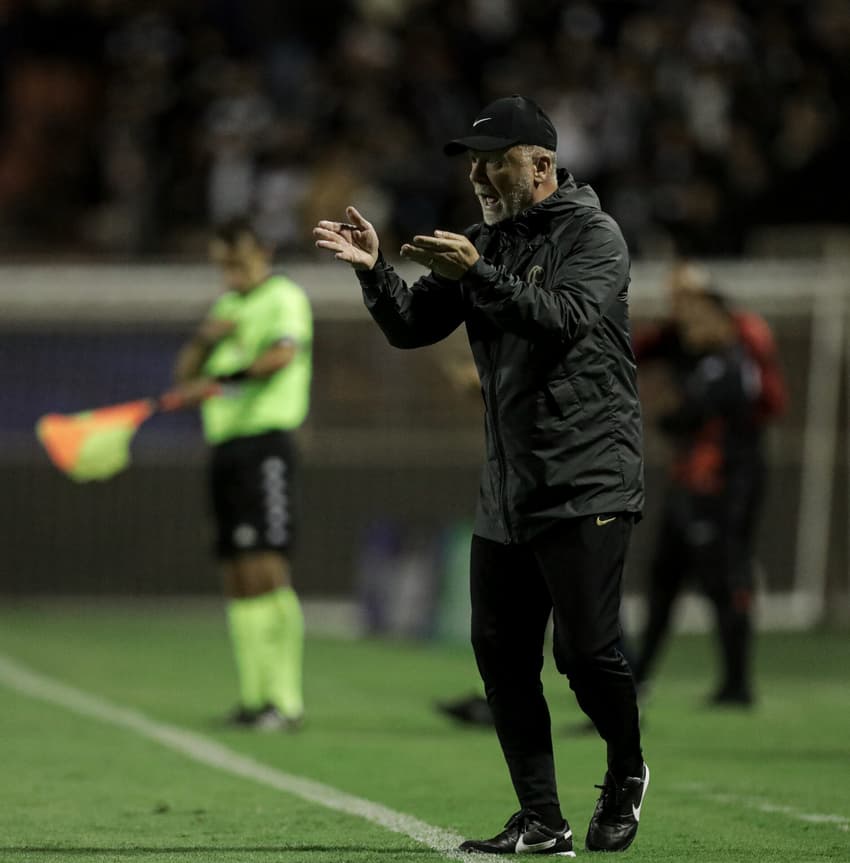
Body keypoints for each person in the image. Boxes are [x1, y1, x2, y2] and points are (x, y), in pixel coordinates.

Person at [314, 95, 648, 856]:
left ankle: (626, 769)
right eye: (473, 161)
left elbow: (562, 318)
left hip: (588, 476)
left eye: (493, 160)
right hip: (509, 486)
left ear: (540, 166)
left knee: (585, 654)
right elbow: (411, 328)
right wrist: (376, 273)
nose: (478, 174)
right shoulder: (477, 241)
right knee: (500, 654)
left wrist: (480, 272)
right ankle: (543, 819)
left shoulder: (594, 235)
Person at [169, 217, 312, 730]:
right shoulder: (226, 308)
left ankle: (285, 700)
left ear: (264, 253)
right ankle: (254, 698)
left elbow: (281, 356)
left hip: (265, 444)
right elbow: (184, 377)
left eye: (238, 261)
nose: (231, 272)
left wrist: (222, 375)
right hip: (225, 447)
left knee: (265, 565)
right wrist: (204, 342)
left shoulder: (283, 298)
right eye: (223, 264)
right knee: (234, 570)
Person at [631, 264, 786, 706]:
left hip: (724, 484)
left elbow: (694, 414)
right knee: (665, 576)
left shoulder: (734, 360)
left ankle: (737, 683)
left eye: (694, 309)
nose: (684, 318)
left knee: (723, 576)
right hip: (691, 482)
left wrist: (671, 413)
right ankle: (640, 677)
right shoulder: (686, 349)